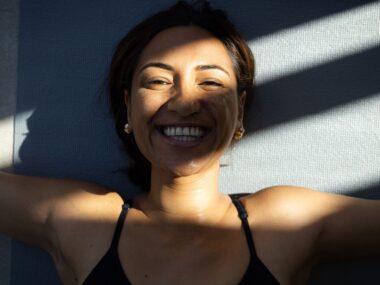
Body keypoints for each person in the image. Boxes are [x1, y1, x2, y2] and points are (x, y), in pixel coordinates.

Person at [0, 1, 379, 284]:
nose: (183, 103)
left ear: (239, 110)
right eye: (158, 81)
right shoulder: (81, 221)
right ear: (129, 106)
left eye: (211, 82)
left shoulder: (285, 221)